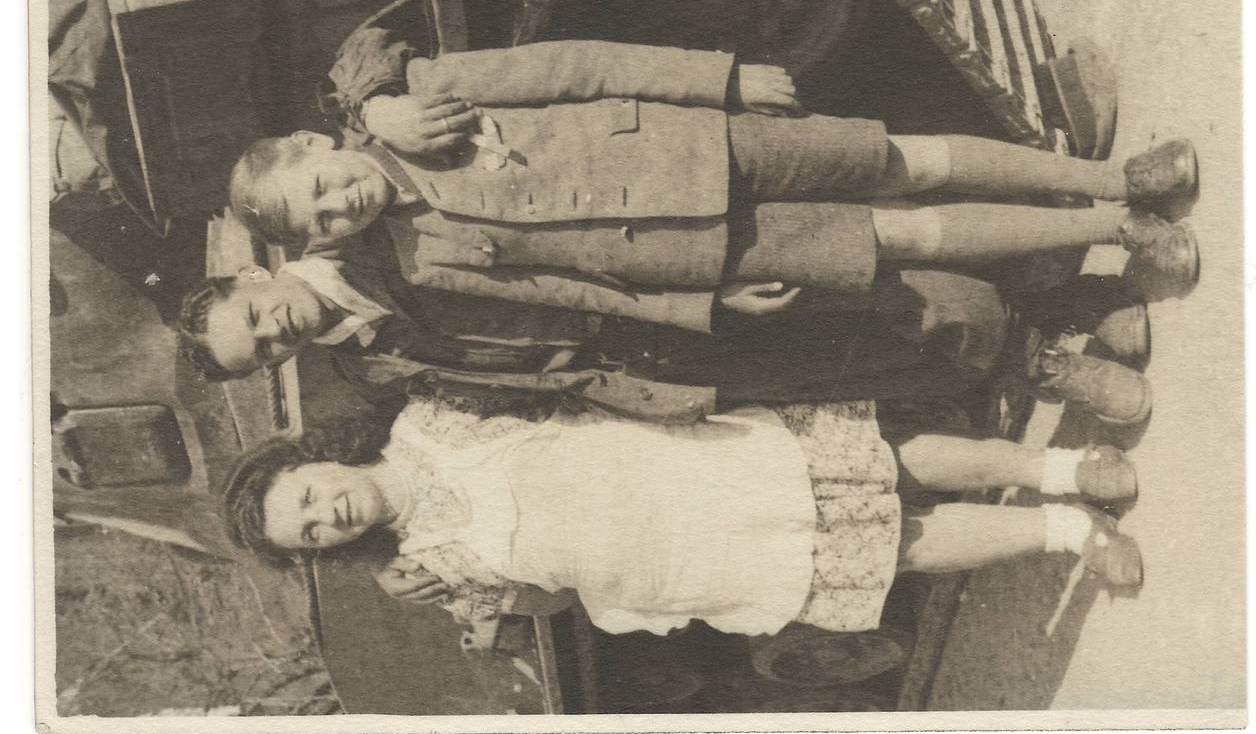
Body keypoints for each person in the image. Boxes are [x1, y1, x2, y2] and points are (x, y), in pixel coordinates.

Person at [225, 28, 1199, 323]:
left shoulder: (421, 94)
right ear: (322, 246)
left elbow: (580, 66)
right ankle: (1117, 231)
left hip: (699, 142)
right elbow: (570, 291)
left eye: (322, 185)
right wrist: (701, 300)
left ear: (316, 144)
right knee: (895, 235)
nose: (340, 204)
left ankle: (1116, 177)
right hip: (695, 249)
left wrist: (717, 81)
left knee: (902, 162)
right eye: (322, 223)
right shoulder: (422, 257)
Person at [222, 393, 1144, 640]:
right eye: (312, 535)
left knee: (885, 461)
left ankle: (1064, 468)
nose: (327, 516)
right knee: (894, 548)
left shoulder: (433, 415)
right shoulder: (429, 567)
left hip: (697, 465)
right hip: (695, 562)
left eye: (306, 498)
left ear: (311, 460)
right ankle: (1072, 534)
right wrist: (484, 601)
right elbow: (550, 601)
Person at [175, 254, 1155, 426]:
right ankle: (1052, 330)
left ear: (253, 277)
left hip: (640, 276)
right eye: (262, 354)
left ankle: (1056, 328)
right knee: (839, 358)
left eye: (254, 318)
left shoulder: (358, 233)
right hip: (632, 364)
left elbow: (366, 66)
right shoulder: (366, 364)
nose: (275, 334)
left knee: (853, 286)